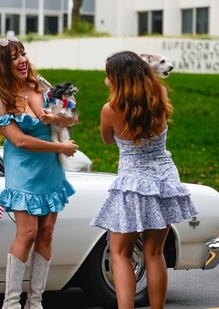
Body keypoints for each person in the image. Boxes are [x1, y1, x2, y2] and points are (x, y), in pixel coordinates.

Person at [90, 50, 198, 309]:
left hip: (132, 184)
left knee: (120, 253)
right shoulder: (159, 96)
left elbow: (107, 139)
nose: (105, 78)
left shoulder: (111, 110)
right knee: (154, 252)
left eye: (108, 74)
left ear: (118, 77)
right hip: (163, 179)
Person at [0, 36, 78, 309]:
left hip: (51, 169)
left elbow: (73, 117)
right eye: (14, 57)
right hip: (23, 170)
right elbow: (20, 141)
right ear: (3, 65)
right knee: (27, 233)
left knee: (47, 232)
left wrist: (56, 119)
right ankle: (11, 303)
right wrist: (60, 146)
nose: (22, 60)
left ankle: (35, 302)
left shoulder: (42, 86)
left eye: (23, 54)